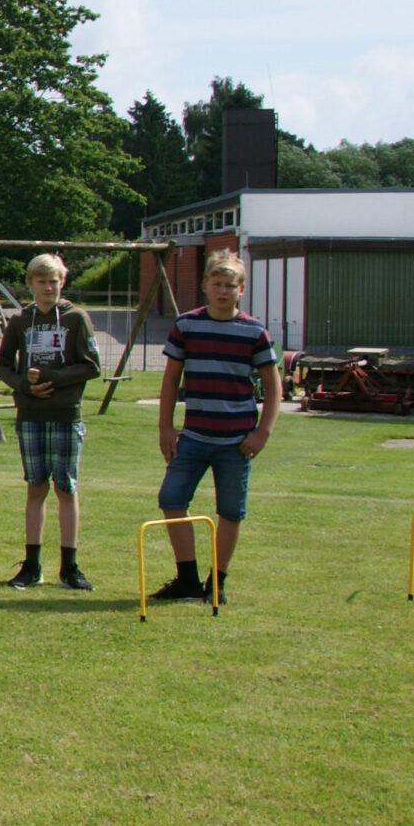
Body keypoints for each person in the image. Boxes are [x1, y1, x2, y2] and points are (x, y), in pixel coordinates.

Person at [152, 251, 282, 605]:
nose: (223, 291)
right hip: (193, 436)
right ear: (205, 286)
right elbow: (170, 380)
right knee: (171, 499)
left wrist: (263, 432)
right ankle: (187, 580)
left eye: (230, 285)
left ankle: (217, 581)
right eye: (217, 284)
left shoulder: (254, 331)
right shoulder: (186, 325)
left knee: (230, 511)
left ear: (241, 290)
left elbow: (273, 386)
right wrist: (166, 427)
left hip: (237, 441)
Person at [0, 252, 103, 590]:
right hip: (30, 415)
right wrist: (25, 385)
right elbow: (2, 365)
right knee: (36, 486)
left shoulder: (76, 318)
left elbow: (92, 366)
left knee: (65, 487)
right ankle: (31, 565)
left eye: (54, 281)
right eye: (41, 281)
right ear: (30, 284)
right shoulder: (20, 321)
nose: (48, 287)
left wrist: (53, 378)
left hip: (66, 415)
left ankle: (69, 567)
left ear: (63, 282)